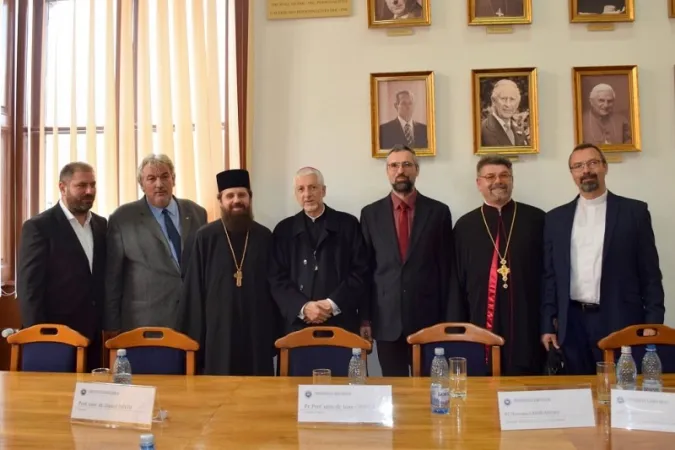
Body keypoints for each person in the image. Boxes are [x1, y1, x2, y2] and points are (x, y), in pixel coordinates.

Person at [541, 143, 664, 375]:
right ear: (572, 174)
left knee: (621, 391)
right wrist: (548, 323)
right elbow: (550, 277)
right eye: (578, 166)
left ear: (605, 167)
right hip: (572, 322)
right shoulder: (556, 219)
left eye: (592, 163)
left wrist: (653, 322)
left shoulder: (634, 213)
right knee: (578, 393)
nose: (585, 170)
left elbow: (650, 273)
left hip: (620, 317)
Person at [360, 145, 453, 376]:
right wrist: (365, 318)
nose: (400, 170)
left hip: (428, 319)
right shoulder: (370, 214)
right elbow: (365, 270)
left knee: (429, 390)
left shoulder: (439, 212)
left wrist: (447, 321)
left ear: (417, 170)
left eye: (406, 164)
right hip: (386, 319)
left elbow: (447, 270)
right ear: (387, 172)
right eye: (394, 165)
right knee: (395, 392)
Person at [449, 156, 545, 376]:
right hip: (478, 318)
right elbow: (456, 281)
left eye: (504, 175)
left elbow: (549, 274)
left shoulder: (537, 219)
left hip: (527, 319)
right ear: (479, 183)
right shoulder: (464, 226)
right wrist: (457, 329)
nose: (498, 181)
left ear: (512, 180)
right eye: (490, 176)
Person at [181, 169, 280, 375]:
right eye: (230, 196)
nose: (237, 200)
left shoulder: (264, 236)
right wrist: (196, 342)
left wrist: (274, 336)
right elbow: (194, 293)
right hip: (218, 335)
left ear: (250, 198)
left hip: (256, 333)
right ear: (220, 200)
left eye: (242, 195)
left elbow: (276, 289)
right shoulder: (205, 237)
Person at [17, 162, 107, 370]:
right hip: (53, 337)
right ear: (62, 187)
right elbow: (29, 289)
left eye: (93, 185)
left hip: (93, 335)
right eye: (81, 185)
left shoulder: (102, 225)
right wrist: (40, 336)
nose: (89, 191)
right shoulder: (39, 227)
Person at [104, 154, 207, 334]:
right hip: (145, 323)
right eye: (151, 178)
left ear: (173, 179)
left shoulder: (197, 213)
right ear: (142, 185)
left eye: (165, 176)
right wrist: (113, 327)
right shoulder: (123, 218)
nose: (159, 184)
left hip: (193, 320)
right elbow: (113, 278)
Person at [269, 167, 369, 335]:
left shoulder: (348, 225)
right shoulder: (283, 230)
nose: (307, 194)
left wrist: (331, 304)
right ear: (296, 194)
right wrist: (303, 307)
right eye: (301, 189)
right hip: (297, 326)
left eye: (313, 187)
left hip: (341, 323)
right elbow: (276, 279)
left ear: (323, 191)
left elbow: (360, 271)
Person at [481, 79, 528, 147]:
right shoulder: (482, 130)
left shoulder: (520, 132)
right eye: (503, 99)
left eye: (512, 99)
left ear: (517, 103)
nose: (508, 104)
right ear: (493, 101)